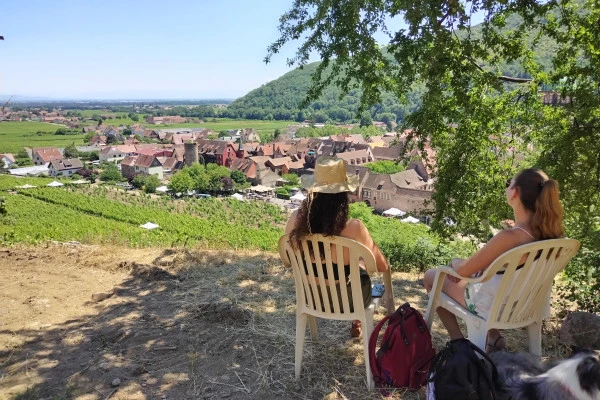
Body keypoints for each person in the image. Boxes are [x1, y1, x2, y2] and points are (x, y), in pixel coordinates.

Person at [423, 168, 564, 352]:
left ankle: (460, 345)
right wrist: (490, 267)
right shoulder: (551, 237)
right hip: (526, 306)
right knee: (483, 278)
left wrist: (454, 262)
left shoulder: (511, 237)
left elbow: (463, 270)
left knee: (432, 277)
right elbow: (514, 270)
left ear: (515, 192)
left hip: (494, 308)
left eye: (508, 183)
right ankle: (493, 337)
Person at [285, 156, 389, 337]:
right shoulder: (354, 228)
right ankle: (357, 320)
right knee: (360, 266)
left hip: (311, 298)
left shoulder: (295, 220)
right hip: (350, 302)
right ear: (343, 195)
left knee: (353, 266)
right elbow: (382, 267)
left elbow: (287, 260)